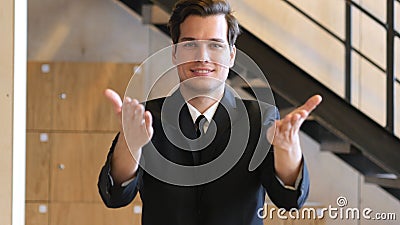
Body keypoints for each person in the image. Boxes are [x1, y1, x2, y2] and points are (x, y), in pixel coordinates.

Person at [98, 0, 322, 224]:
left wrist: (288, 151)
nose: (202, 57)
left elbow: (289, 200)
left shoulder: (260, 118)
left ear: (231, 55)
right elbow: (115, 196)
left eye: (215, 45)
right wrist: (130, 145)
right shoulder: (146, 117)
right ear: (174, 53)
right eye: (189, 44)